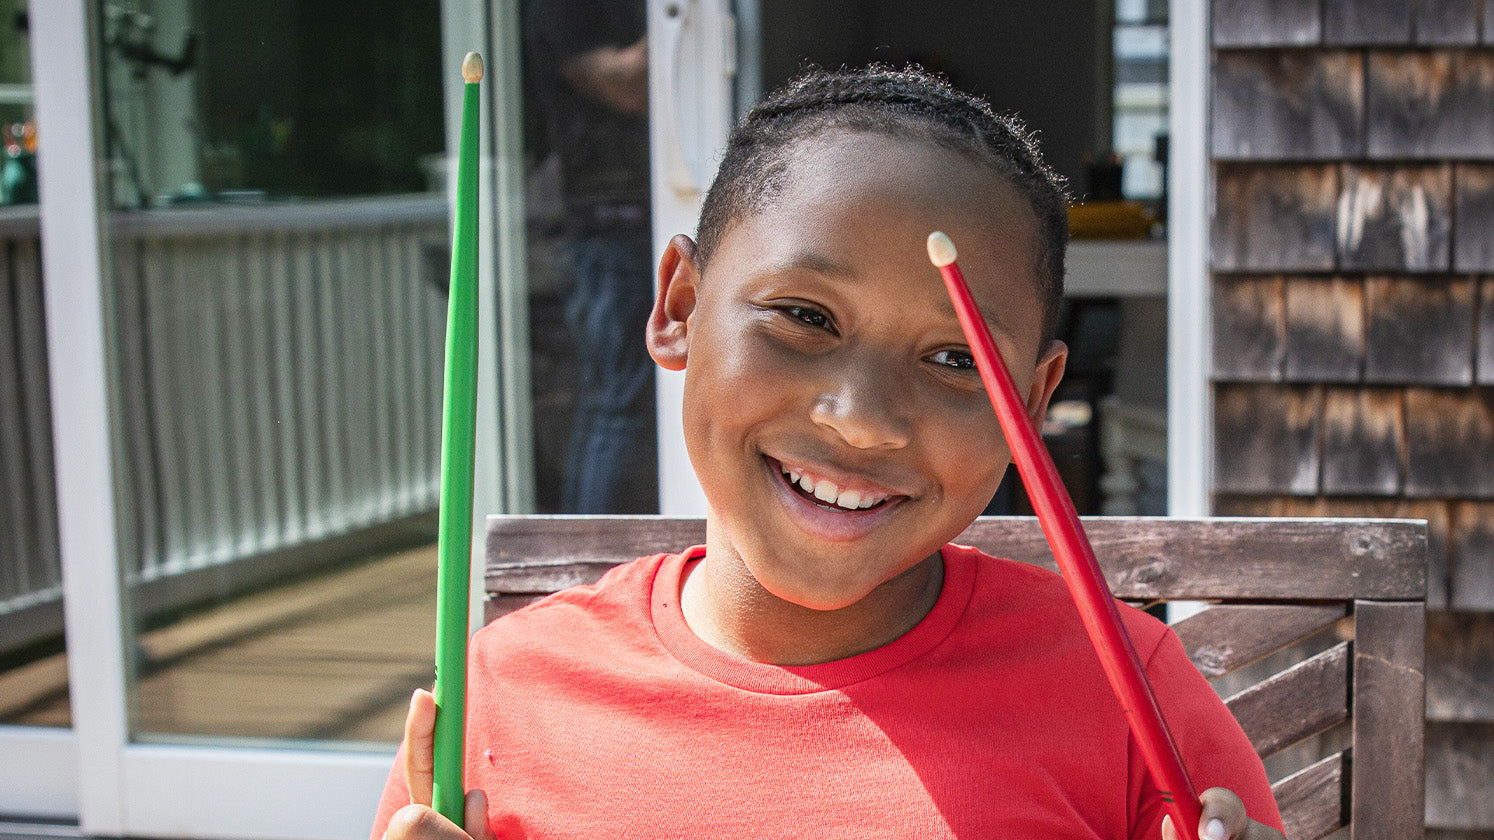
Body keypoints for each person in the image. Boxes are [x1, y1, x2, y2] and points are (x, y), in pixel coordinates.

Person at [372, 66, 1286, 840]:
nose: (863, 420)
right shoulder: (506, 698)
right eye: (805, 316)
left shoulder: (1130, 700)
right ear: (681, 306)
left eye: (955, 359)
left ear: (1032, 402)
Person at [525, 0, 658, 513]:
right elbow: (628, 84)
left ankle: (588, 543)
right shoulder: (562, 10)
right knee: (618, 405)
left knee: (618, 402)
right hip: (605, 226)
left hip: (634, 221)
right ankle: (585, 551)